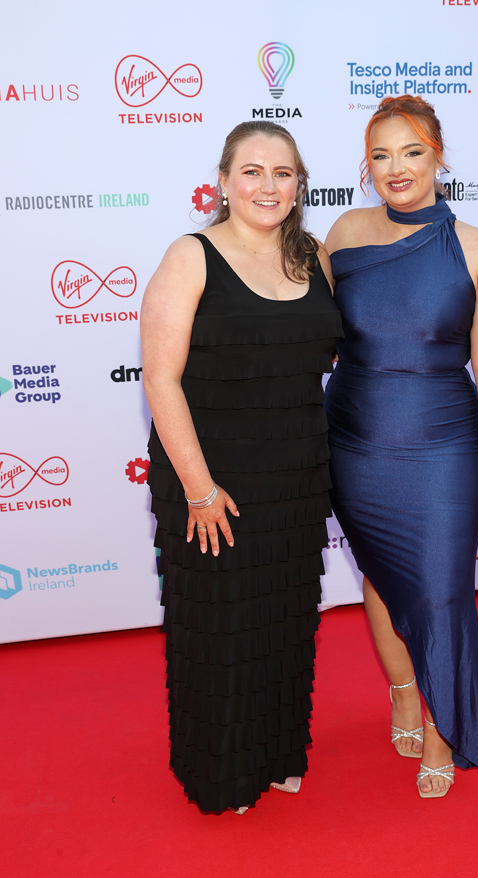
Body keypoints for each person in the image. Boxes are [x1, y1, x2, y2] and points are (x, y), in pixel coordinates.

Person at [141, 120, 342, 814]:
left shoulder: (315, 256)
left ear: (299, 185)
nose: (266, 185)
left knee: (285, 620)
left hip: (296, 477)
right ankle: (222, 770)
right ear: (223, 181)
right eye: (250, 171)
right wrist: (198, 489)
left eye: (282, 173)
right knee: (219, 628)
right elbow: (161, 380)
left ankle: (277, 749)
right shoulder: (191, 256)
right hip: (212, 478)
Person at [324, 95, 478, 798]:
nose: (395, 168)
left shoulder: (477, 249)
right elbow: (299, 321)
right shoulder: (343, 234)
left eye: (411, 151)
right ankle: (404, 692)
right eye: (380, 155)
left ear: (439, 154)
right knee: (378, 577)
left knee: (439, 593)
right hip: (354, 439)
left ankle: (442, 728)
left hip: (441, 448)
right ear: (366, 165)